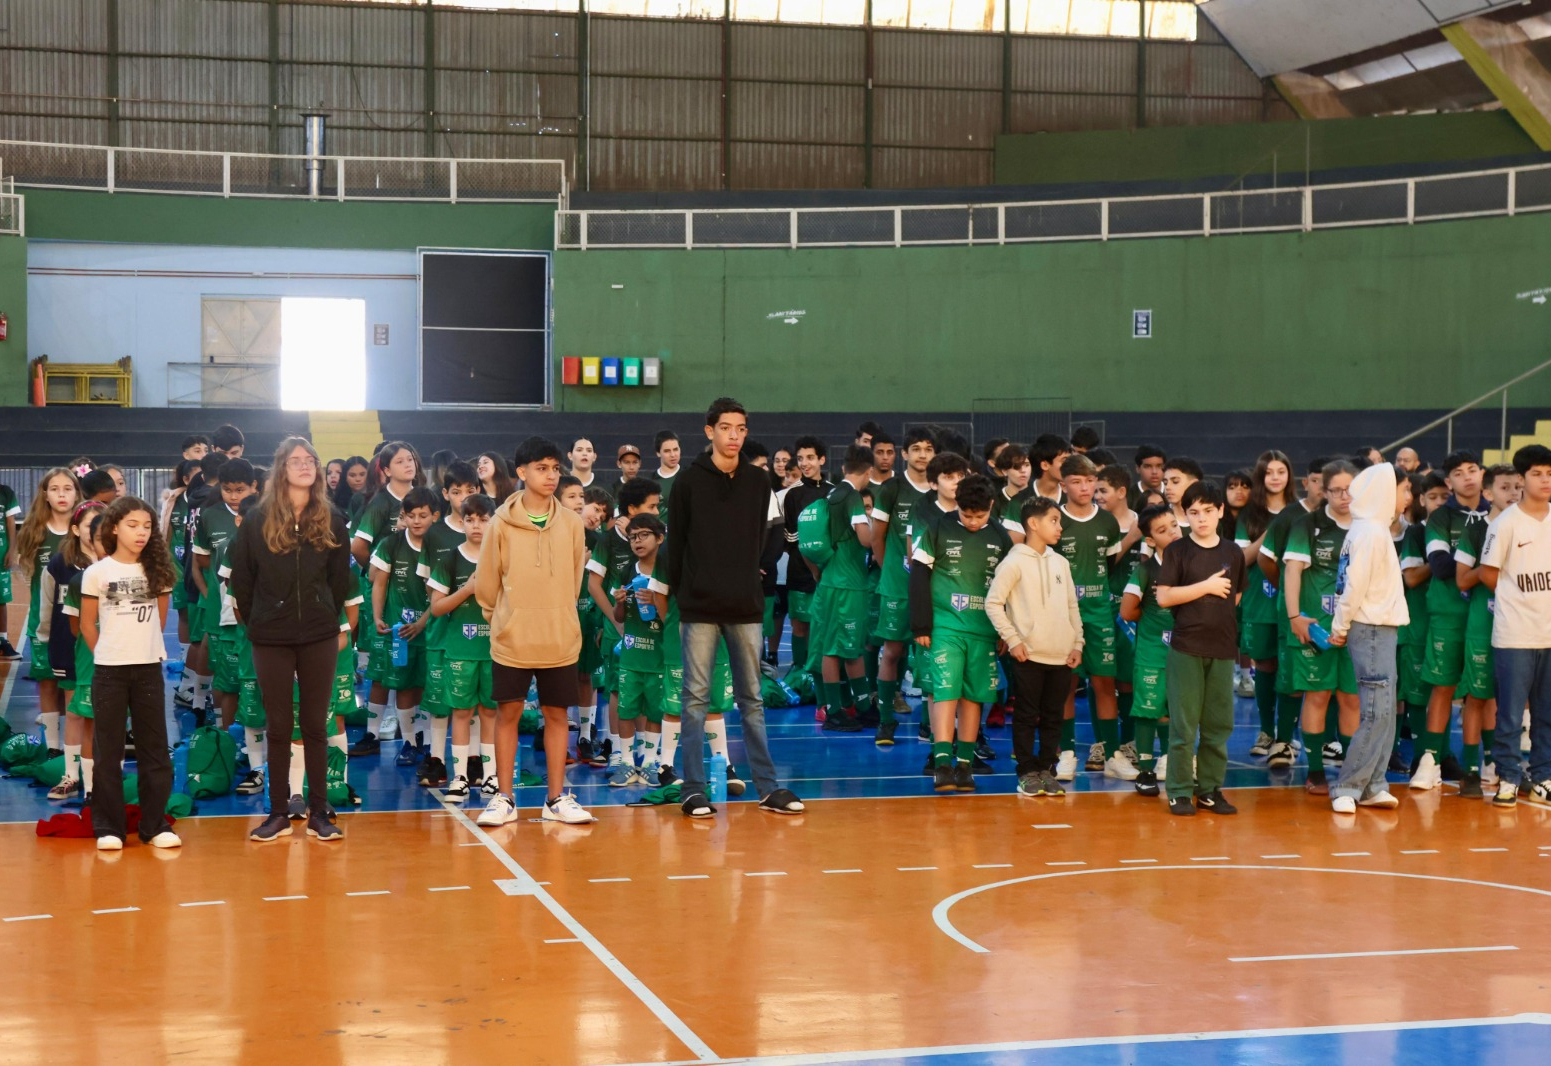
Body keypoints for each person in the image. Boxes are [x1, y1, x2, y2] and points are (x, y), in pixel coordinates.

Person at [663, 397, 803, 819]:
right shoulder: (687, 482)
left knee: (752, 698)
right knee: (694, 699)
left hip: (745, 605)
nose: (734, 436)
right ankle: (692, 789)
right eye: (726, 427)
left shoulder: (759, 483)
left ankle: (767, 787)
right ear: (710, 431)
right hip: (700, 607)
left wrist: (752, 571)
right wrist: (685, 594)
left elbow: (768, 535)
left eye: (741, 428)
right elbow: (677, 544)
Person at [231, 437, 355, 843]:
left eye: (311, 461)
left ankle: (320, 812)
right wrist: (262, 621)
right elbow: (242, 581)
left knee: (317, 724)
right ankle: (279, 812)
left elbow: (339, 580)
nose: (305, 466)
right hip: (271, 636)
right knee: (279, 726)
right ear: (282, 469)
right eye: (296, 461)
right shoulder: (257, 519)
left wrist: (322, 614)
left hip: (318, 634)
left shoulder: (332, 517)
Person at [473, 436, 596, 827]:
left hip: (559, 637)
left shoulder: (573, 524)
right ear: (521, 472)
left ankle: (556, 798)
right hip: (513, 638)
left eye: (555, 469)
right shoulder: (499, 524)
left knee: (556, 715)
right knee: (507, 714)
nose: (550, 475)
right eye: (541, 468)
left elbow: (576, 577)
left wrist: (560, 613)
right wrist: (504, 620)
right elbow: (487, 583)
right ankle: (504, 798)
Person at [80, 495, 180, 851]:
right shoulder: (97, 572)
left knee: (154, 749)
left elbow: (161, 618)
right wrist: (108, 653)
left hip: (148, 668)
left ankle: (155, 825)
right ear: (115, 528)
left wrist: (140, 649)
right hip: (109, 672)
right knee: (108, 751)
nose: (141, 533)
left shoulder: (159, 570)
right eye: (133, 525)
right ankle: (108, 826)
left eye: (147, 526)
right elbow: (87, 624)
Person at [910, 473, 1011, 793]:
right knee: (945, 691)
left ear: (991, 507)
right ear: (957, 506)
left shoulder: (1001, 537)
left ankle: (965, 765)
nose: (971, 521)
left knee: (973, 696)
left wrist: (1006, 630)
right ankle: (942, 762)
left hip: (984, 630)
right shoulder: (938, 528)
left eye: (979, 516)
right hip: (945, 626)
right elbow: (918, 575)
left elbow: (1011, 588)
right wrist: (921, 624)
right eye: (966, 514)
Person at [1155, 480, 1246, 816]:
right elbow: (1164, 597)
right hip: (1186, 649)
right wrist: (1205, 587)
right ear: (1185, 515)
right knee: (1183, 725)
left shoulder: (1233, 552)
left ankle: (1209, 789)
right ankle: (1179, 791)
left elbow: (1235, 597)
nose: (1202, 519)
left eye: (1208, 511)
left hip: (1222, 649)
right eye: (1193, 513)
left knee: (1218, 725)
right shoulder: (1178, 551)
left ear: (1221, 511)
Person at [1326, 462, 1410, 813]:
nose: (1407, 497)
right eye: (1402, 491)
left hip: (1380, 629)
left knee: (1386, 711)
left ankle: (1375, 784)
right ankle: (1349, 785)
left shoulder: (1369, 529)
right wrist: (1340, 625)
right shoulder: (1371, 534)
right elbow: (1353, 586)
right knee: (1377, 711)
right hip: (1372, 628)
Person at [986, 495, 1082, 798]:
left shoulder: (1061, 563)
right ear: (1033, 523)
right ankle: (1027, 771)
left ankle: (1046, 770)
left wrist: (1076, 642)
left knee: (1054, 715)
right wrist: (1013, 639)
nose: (1060, 527)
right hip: (1029, 654)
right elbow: (993, 603)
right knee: (1027, 715)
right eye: (1054, 520)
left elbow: (1072, 607)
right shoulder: (1013, 562)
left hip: (1061, 654)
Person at [1413, 450, 1488, 790]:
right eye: (1459, 473)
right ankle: (1430, 760)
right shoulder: (1441, 518)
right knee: (1442, 687)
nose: (1468, 477)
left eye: (1473, 470)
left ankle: (1485, 763)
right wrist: (1482, 556)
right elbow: (1441, 567)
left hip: (1488, 615)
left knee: (1484, 693)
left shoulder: (1499, 515)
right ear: (1449, 481)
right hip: (1447, 613)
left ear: (1482, 473)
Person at [1284, 460, 1359, 797]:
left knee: (1351, 699)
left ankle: (1351, 772)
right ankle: (1315, 771)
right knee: (1317, 695)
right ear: (1324, 492)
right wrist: (1295, 616)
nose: (1345, 496)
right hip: (1317, 626)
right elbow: (1292, 572)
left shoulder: (1367, 525)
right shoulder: (1307, 524)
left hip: (1357, 626)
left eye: (1350, 489)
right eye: (1337, 490)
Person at [1481, 445, 1551, 806]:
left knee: (1547, 712)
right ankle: (1507, 777)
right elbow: (1488, 574)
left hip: (1549, 634)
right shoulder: (1504, 523)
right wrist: (1518, 601)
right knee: (1509, 713)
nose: (1545, 480)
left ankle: (1543, 776)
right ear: (1522, 479)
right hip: (1515, 635)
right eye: (1538, 473)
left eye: (1550, 473)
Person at [1055, 454, 1133, 779]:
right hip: (1062, 614)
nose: (1085, 487)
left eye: (1090, 481)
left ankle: (1113, 754)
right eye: (1077, 481)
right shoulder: (1055, 520)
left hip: (1100, 612)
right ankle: (1068, 754)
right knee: (1067, 684)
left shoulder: (1107, 522)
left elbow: (1111, 564)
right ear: (1063, 485)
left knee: (1104, 681)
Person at [1453, 463, 1522, 795]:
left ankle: (1500, 763)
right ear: (1488, 493)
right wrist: (1491, 563)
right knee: (1477, 697)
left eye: (1517, 487)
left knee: (1511, 698)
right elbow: (1462, 579)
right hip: (1483, 622)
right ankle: (1469, 768)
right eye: (1505, 487)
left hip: (1523, 622)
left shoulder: (1532, 527)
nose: (1513, 493)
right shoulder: (1477, 530)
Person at [427, 493, 498, 800]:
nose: (477, 525)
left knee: (489, 712)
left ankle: (492, 775)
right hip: (459, 651)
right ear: (461, 522)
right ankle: (459, 777)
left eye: (483, 519)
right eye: (470, 520)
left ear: (493, 521)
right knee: (461, 711)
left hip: (494, 651)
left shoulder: (500, 557)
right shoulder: (450, 559)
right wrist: (467, 589)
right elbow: (437, 608)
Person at [870, 427, 936, 746]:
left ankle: (928, 723)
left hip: (933, 588)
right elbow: (877, 538)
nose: (922, 454)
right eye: (916, 448)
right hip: (897, 586)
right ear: (905, 454)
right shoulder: (892, 489)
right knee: (893, 651)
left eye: (928, 449)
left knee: (928, 654)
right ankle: (885, 722)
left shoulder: (940, 490)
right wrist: (893, 574)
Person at [38, 501, 107, 800]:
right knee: (75, 711)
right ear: (77, 529)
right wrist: (44, 636)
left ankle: (98, 777)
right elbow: (47, 604)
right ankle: (70, 775)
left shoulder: (116, 565)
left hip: (109, 652)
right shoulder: (59, 564)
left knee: (103, 715)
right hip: (70, 645)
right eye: (90, 525)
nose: (95, 531)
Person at [369, 488, 439, 770]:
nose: (417, 521)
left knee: (429, 686)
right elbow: (379, 582)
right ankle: (410, 742)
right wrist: (377, 616)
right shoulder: (391, 544)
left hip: (434, 627)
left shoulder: (443, 545)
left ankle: (427, 743)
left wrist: (424, 621)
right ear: (403, 517)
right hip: (401, 629)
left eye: (423, 515)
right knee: (405, 685)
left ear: (436, 516)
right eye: (411, 516)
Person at [18, 467, 81, 755]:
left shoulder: (84, 528)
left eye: (67, 489)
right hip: (44, 620)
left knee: (72, 683)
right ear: (45, 494)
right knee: (46, 681)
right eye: (55, 489)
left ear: (76, 493)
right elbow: (29, 575)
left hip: (77, 619)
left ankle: (73, 746)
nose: (61, 495)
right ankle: (52, 747)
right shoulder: (34, 531)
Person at [1236, 450, 1294, 757]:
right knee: (1265, 664)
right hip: (1259, 601)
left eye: (1280, 471)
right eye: (1269, 472)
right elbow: (1241, 559)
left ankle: (1285, 737)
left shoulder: (1299, 512)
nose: (1275, 477)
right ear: (1261, 476)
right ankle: (1266, 731)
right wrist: (1270, 535)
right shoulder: (1250, 515)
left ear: (1289, 476)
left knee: (1289, 668)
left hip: (1292, 601)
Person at [1121, 504, 1181, 796]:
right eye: (1162, 530)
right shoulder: (1146, 570)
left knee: (1173, 710)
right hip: (1152, 651)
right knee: (1148, 709)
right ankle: (1145, 771)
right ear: (1150, 541)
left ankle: (1172, 763)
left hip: (1184, 651)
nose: (1172, 532)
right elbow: (1127, 610)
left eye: (1174, 525)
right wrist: (1154, 622)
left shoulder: (1191, 564)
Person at [782, 436, 831, 680]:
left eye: (810, 457)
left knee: (821, 626)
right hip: (800, 571)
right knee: (800, 625)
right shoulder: (792, 496)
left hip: (829, 572)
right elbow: (791, 537)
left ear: (821, 459)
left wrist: (824, 566)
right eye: (800, 458)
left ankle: (819, 673)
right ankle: (800, 671)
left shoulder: (834, 492)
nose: (804, 463)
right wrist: (810, 566)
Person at [0, 480, 20, 660]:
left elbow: (11, 523)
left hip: (0, 555)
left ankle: (3, 641)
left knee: (1, 599)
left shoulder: (5, 492)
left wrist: (11, 550)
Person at [652, 431, 682, 516]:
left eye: (676, 449)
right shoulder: (650, 481)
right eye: (667, 451)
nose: (673, 455)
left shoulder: (690, 476)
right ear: (658, 453)